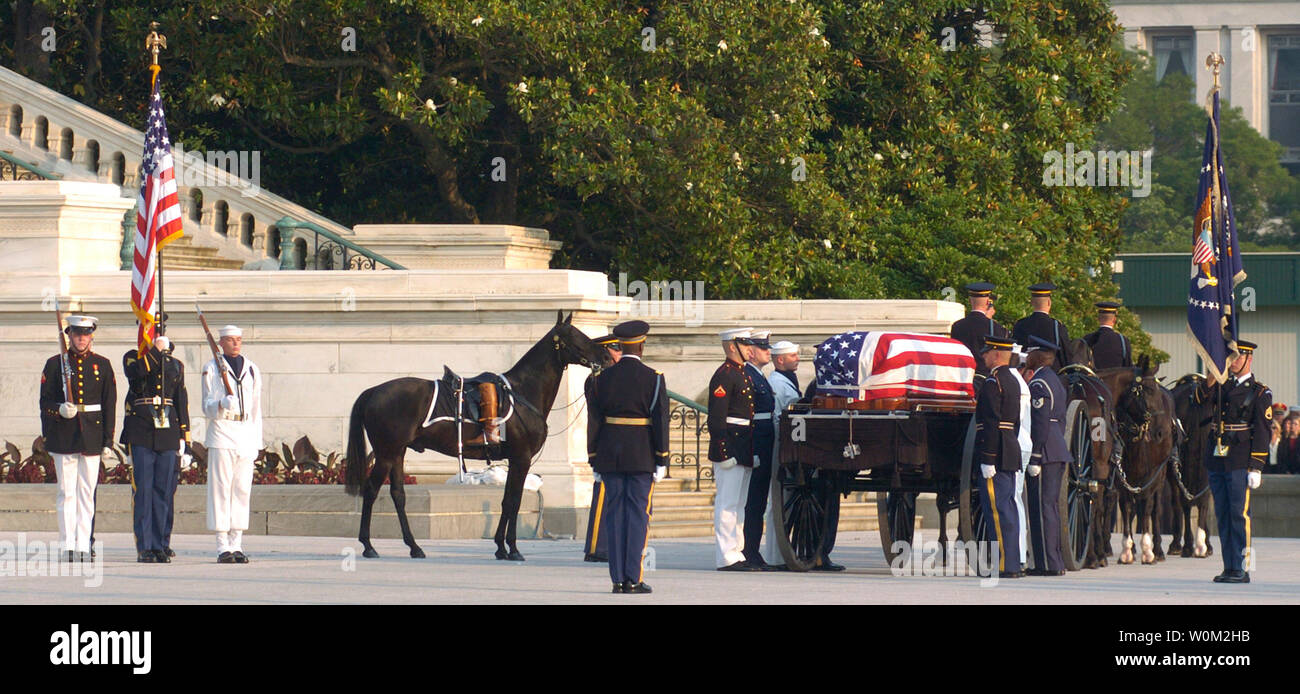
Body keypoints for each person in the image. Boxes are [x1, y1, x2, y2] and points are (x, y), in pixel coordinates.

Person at [585, 320, 668, 593]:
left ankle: (617, 580)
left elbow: (594, 420)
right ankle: (634, 577)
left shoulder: (600, 379)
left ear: (620, 346)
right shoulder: (654, 377)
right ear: (642, 346)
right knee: (638, 517)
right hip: (642, 455)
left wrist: (593, 456)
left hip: (609, 454)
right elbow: (660, 421)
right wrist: (662, 458)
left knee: (614, 515)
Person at [40, 315, 116, 562]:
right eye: (76, 334)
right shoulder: (54, 365)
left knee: (86, 491)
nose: (81, 338)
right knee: (66, 491)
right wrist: (59, 409)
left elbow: (109, 405)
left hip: (92, 435)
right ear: (69, 336)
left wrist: (108, 441)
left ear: (91, 336)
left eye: (85, 334)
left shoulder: (102, 365)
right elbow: (44, 402)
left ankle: (84, 543)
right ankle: (67, 544)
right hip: (64, 435)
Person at [1193, 340, 1270, 584]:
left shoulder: (1259, 392)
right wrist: (1210, 378)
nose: (1232, 362)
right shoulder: (1219, 384)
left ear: (1249, 359)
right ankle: (1229, 566)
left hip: (1239, 460)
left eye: (1237, 357)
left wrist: (1256, 466)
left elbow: (1262, 431)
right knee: (1223, 514)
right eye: (1230, 357)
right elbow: (1197, 402)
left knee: (1239, 514)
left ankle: (1242, 567)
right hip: (1217, 458)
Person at [121, 334, 190, 564]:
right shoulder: (133, 358)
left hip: (168, 430)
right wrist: (154, 352)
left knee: (163, 489)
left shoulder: (176, 365)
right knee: (144, 489)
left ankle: (161, 544)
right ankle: (145, 546)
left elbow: (181, 400)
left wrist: (185, 437)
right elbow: (135, 377)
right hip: (141, 428)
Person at [201, 324, 263, 564]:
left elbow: (257, 408)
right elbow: (205, 406)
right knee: (221, 489)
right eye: (230, 340)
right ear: (221, 343)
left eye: (238, 339)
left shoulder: (252, 369)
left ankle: (237, 543)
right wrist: (219, 404)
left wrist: (257, 439)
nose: (236, 344)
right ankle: (222, 545)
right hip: (222, 431)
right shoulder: (212, 368)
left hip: (245, 432)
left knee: (242, 489)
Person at [1021, 336, 1072, 576]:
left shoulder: (1039, 384)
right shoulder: (1054, 380)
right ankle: (1055, 561)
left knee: (1041, 508)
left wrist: (1036, 456)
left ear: (1036, 356)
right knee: (1049, 507)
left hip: (1045, 452)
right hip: (1056, 448)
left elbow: (1040, 423)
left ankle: (1045, 563)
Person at [975, 335, 1023, 578]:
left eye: (986, 352)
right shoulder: (1012, 380)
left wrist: (988, 458)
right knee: (1008, 508)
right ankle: (1012, 562)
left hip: (996, 453)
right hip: (1009, 450)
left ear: (995, 354)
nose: (983, 356)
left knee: (998, 510)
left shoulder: (993, 382)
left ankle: (1007, 565)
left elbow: (992, 422)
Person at [709, 327, 757, 571]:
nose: (751, 348)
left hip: (743, 445)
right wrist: (724, 452)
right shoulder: (724, 375)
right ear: (731, 346)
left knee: (739, 504)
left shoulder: (742, 374)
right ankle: (726, 555)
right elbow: (716, 420)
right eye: (745, 344)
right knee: (727, 504)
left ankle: (737, 551)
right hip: (730, 447)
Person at [740, 329, 778, 570]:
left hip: (764, 443)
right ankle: (748, 551)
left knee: (758, 501)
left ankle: (752, 550)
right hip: (756, 442)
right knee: (752, 501)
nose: (769, 351)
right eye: (764, 348)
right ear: (751, 353)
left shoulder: (759, 376)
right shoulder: (748, 377)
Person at [583, 333, 622, 563]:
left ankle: (609, 544)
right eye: (616, 348)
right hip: (606, 442)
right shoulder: (596, 379)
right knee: (603, 496)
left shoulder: (615, 376)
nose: (620, 352)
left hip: (619, 443)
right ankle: (597, 546)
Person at [765, 341, 800, 567]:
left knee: (784, 503)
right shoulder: (776, 382)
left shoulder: (786, 380)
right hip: (781, 445)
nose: (797, 358)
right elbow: (778, 418)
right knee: (777, 505)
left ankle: (783, 553)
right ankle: (776, 556)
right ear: (780, 360)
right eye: (793, 356)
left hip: (789, 445)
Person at [949, 282, 1011, 374]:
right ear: (988, 302)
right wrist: (989, 320)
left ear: (970, 301)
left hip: (962, 374)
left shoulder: (957, 326)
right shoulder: (996, 328)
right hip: (985, 377)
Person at [1012, 282, 1071, 367]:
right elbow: (1066, 357)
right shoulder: (1056, 326)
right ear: (1049, 303)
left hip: (1025, 373)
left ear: (1032, 302)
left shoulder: (1020, 324)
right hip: (1050, 374)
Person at [1082, 301, 1132, 370]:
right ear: (1114, 320)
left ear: (1098, 318)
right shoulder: (1123, 341)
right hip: (1115, 380)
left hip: (1093, 380)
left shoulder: (1087, 339)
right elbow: (1128, 369)